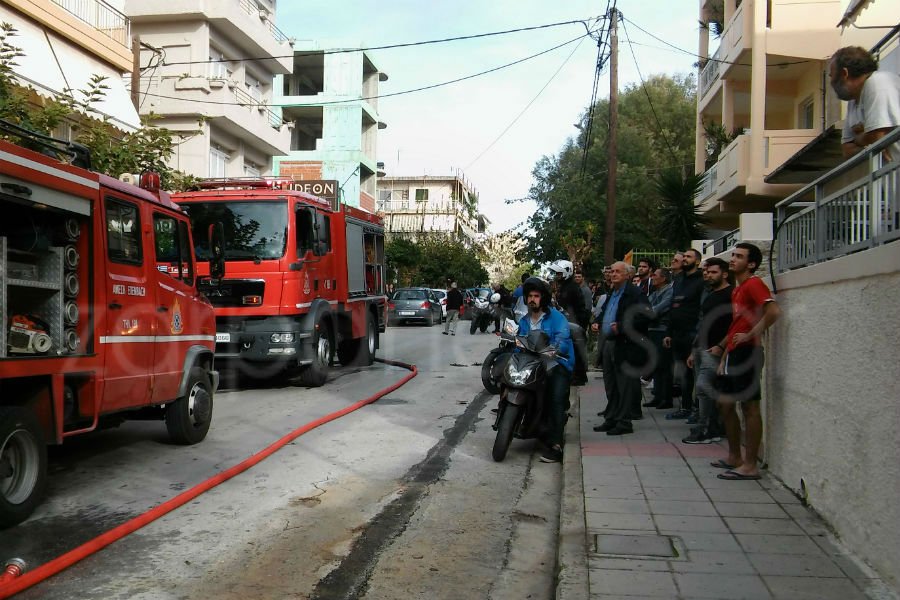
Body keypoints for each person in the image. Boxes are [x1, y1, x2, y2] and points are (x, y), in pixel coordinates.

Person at [713, 243, 781, 480]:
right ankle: (735, 456)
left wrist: (751, 334)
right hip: (734, 353)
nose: (733, 259)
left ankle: (750, 465)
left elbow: (773, 311)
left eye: (739, 256)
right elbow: (735, 326)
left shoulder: (753, 284)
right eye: (733, 255)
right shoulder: (737, 289)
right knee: (725, 404)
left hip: (748, 352)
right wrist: (724, 355)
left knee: (749, 406)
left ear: (751, 264)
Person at [517, 277, 574, 463]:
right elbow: (520, 340)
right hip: (533, 363)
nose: (532, 299)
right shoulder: (524, 320)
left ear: (544, 298)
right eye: (530, 296)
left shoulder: (556, 317)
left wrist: (555, 349)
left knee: (555, 399)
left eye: (536, 296)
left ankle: (556, 445)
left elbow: (563, 338)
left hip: (557, 363)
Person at [591, 262, 651, 436]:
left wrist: (622, 327)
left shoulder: (634, 293)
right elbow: (606, 312)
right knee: (610, 383)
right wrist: (597, 322)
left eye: (618, 271)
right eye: (612, 271)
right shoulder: (613, 292)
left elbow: (646, 316)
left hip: (625, 344)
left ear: (627, 275)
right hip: (609, 342)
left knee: (623, 385)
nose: (613, 274)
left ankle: (624, 421)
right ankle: (611, 418)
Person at [682, 257, 732, 444]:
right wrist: (694, 349)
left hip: (716, 349)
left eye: (713, 272)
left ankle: (706, 429)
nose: (709, 275)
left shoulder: (731, 294)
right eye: (707, 272)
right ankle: (710, 427)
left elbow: (736, 324)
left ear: (724, 274)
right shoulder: (710, 295)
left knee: (704, 387)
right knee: (703, 390)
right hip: (702, 347)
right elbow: (703, 323)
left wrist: (722, 346)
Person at [830, 46, 900, 161]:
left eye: (831, 76)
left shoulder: (878, 83)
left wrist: (858, 139)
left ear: (844, 73)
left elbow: (878, 136)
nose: (831, 82)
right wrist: (868, 136)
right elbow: (846, 150)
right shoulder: (853, 102)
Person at [663, 248, 704, 421]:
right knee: (683, 374)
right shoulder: (679, 281)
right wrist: (669, 332)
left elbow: (702, 309)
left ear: (697, 261)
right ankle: (685, 407)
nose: (685, 259)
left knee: (696, 373)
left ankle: (698, 410)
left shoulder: (702, 281)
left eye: (689, 257)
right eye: (684, 256)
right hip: (677, 333)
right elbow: (673, 306)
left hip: (693, 333)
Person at [549, 259, 589, 386]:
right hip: (570, 323)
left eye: (559, 273)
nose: (557, 276)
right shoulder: (566, 287)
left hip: (575, 323)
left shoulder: (571, 288)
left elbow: (572, 307)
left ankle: (579, 376)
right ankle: (576, 375)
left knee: (576, 350)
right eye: (556, 274)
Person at [645, 267, 674, 410]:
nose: (652, 277)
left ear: (663, 278)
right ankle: (657, 395)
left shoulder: (669, 291)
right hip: (652, 329)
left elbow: (657, 309)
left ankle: (665, 397)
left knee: (663, 365)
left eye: (654, 275)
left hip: (662, 330)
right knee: (655, 364)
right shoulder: (655, 293)